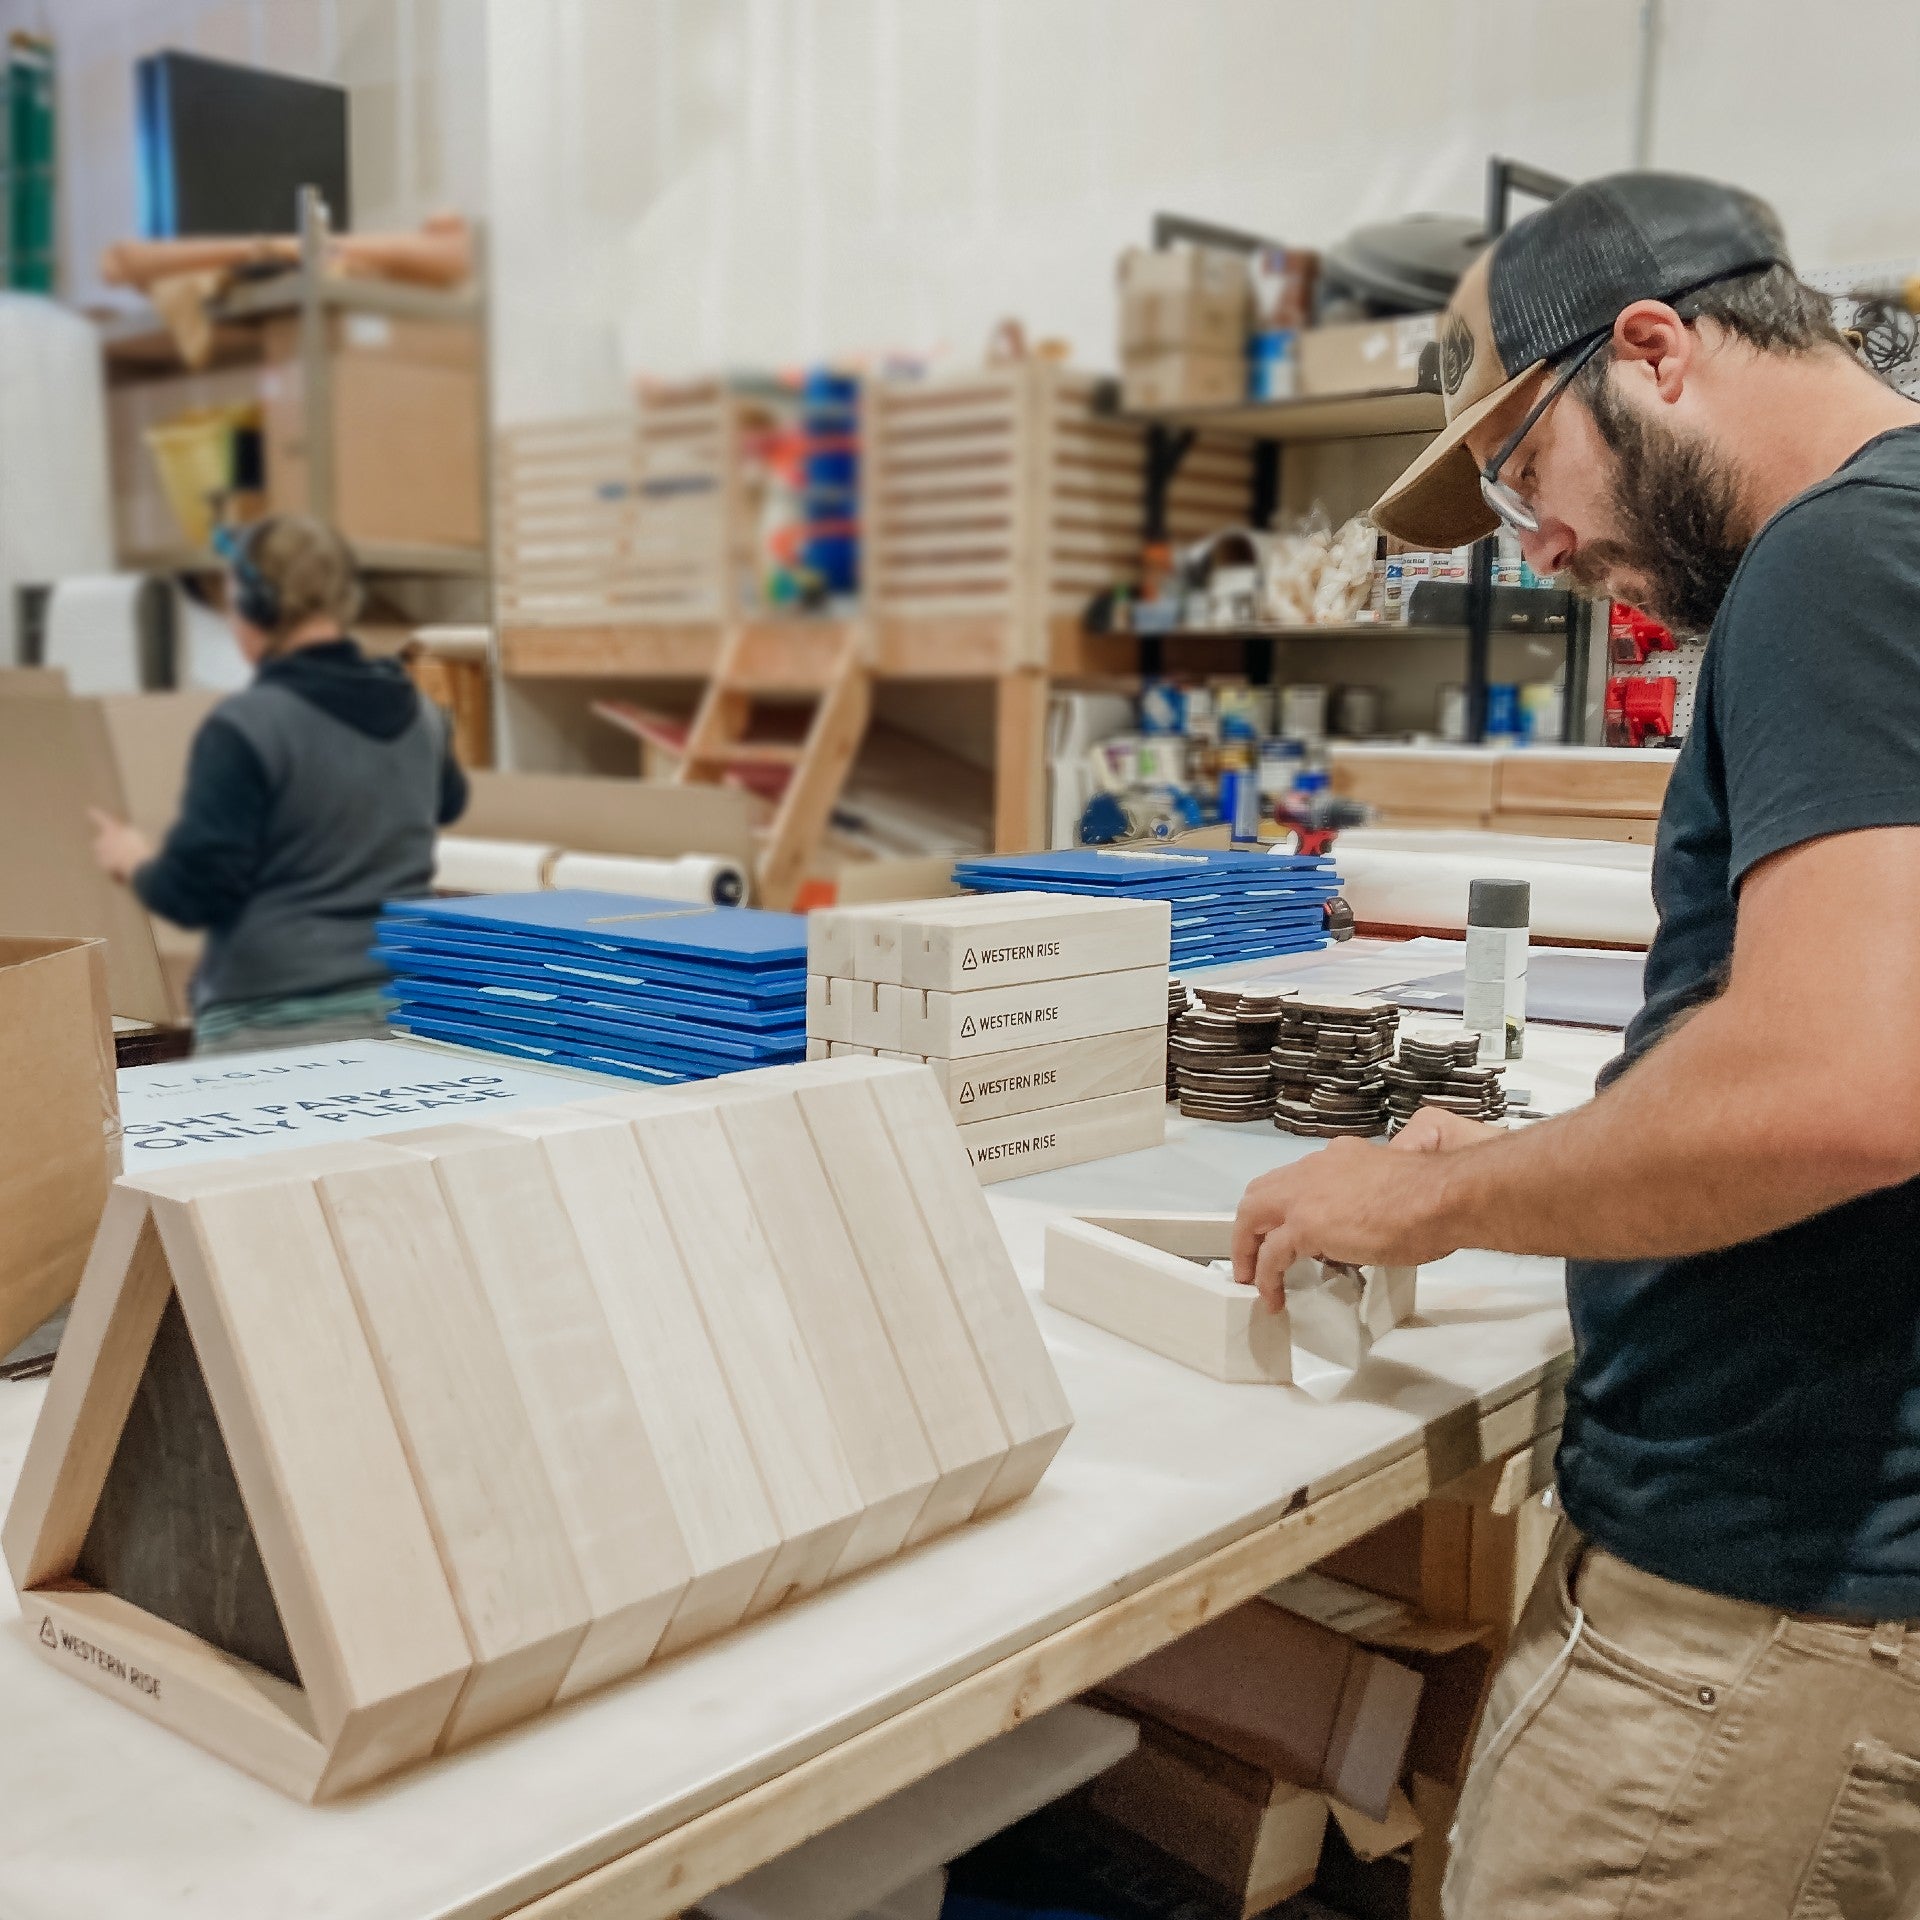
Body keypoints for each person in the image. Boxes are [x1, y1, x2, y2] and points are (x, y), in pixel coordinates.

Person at [1231, 173, 1920, 1918]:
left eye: (1524, 468)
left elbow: (1842, 1087)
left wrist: (1433, 1204)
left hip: (1759, 1622)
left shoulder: (1837, 562)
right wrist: (1543, 1166)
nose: (1533, 546)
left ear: (1655, 349)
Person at [91, 515, 467, 1054]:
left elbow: (194, 895)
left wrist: (134, 861)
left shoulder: (248, 726)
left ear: (256, 607)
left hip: (271, 1024)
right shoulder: (421, 713)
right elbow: (448, 801)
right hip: (400, 1014)